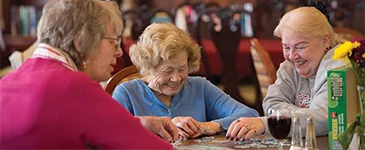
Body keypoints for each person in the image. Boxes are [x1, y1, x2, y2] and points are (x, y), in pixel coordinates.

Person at [0, 0, 177, 149]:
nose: (119, 52)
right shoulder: (73, 86)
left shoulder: (9, 80)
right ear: (81, 42)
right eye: (113, 41)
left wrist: (137, 123)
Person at [112, 22, 259, 139]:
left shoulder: (199, 87)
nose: (176, 78)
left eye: (182, 68)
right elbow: (112, 134)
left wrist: (209, 126)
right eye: (167, 71)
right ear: (149, 67)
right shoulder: (127, 93)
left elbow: (250, 115)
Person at [226, 6, 346, 141]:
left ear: (325, 40)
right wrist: (305, 115)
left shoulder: (340, 68)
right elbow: (271, 104)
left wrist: (265, 124)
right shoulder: (289, 67)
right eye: (286, 47)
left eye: (300, 47)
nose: (292, 56)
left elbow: (326, 119)